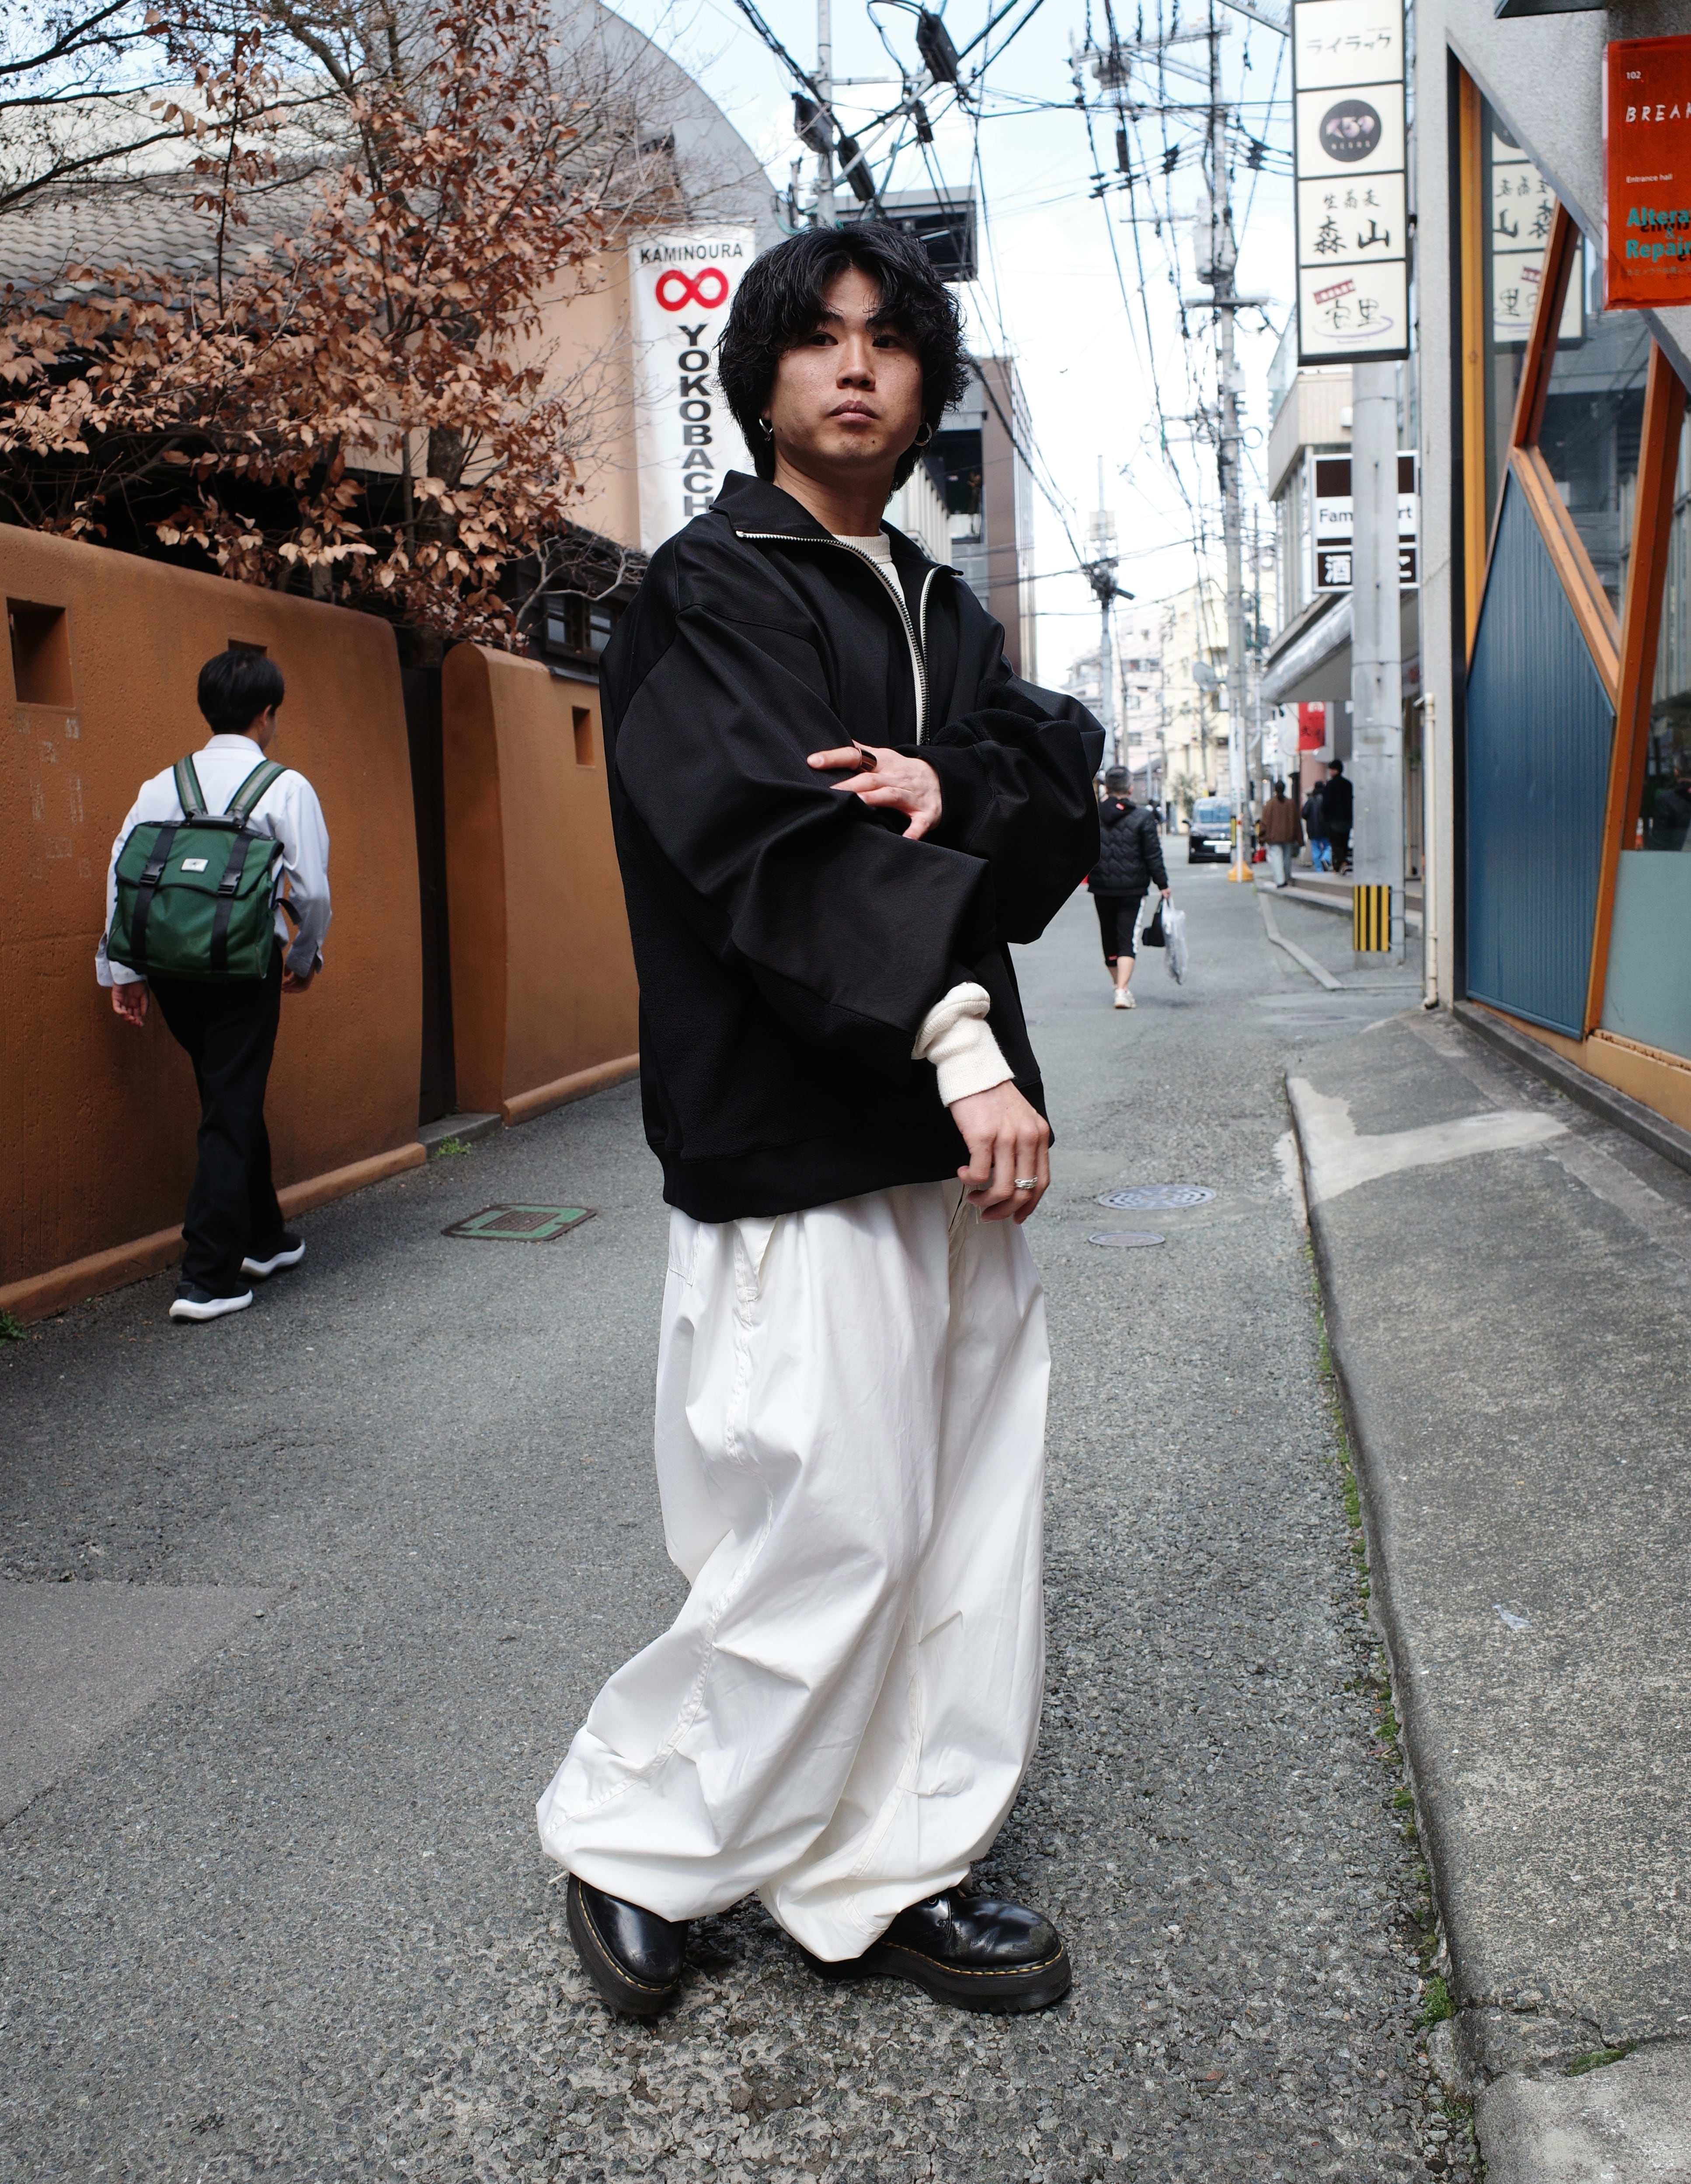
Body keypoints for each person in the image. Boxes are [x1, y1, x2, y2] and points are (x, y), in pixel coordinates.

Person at [536, 222, 1102, 2022]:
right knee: (826, 1517)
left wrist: (958, 779)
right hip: (800, 1119)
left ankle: (891, 1863)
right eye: (817, 337)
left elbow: (1049, 788)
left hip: (950, 1132)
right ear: (760, 377)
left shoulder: (940, 605)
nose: (855, 365)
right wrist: (960, 1041)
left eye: (888, 340)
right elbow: (771, 842)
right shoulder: (709, 590)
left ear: (925, 388)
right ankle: (640, 1837)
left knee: (965, 1520)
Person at [98, 650, 331, 1324]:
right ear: (267, 714)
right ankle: (208, 1275)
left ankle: (264, 1238)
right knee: (229, 1102)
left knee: (229, 1090)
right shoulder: (284, 787)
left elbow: (122, 872)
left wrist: (124, 970)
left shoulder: (160, 785)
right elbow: (312, 891)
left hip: (171, 969)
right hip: (241, 967)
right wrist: (306, 956)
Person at [1088, 766, 1169, 1007]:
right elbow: (1153, 854)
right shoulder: (1143, 817)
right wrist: (1163, 884)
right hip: (1133, 889)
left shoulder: (1092, 815)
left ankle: (1118, 986)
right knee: (1127, 940)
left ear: (1106, 788)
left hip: (1101, 887)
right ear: (1130, 789)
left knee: (1109, 938)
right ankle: (1122, 991)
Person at [1258, 778, 1303, 887]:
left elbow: (1264, 822)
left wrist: (1262, 839)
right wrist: (1300, 840)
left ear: (1275, 789)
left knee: (1277, 857)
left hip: (1273, 837)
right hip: (1289, 836)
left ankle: (1280, 881)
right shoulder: (1291, 803)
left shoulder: (1270, 804)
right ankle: (1287, 877)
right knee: (1287, 857)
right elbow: (1297, 822)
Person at [1319, 758, 1353, 873]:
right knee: (1344, 842)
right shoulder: (1348, 785)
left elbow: (1326, 803)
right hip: (1347, 819)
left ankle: (1342, 863)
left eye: (1331, 770)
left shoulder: (1331, 785)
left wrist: (1325, 815)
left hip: (1334, 819)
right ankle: (1338, 867)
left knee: (1336, 843)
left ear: (1335, 770)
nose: (1330, 772)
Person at [1301, 781, 1330, 872]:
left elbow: (1304, 814)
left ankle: (1319, 869)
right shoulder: (1327, 799)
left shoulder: (1310, 800)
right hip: (1326, 829)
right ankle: (1326, 858)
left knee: (1315, 849)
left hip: (1313, 830)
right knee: (1328, 846)